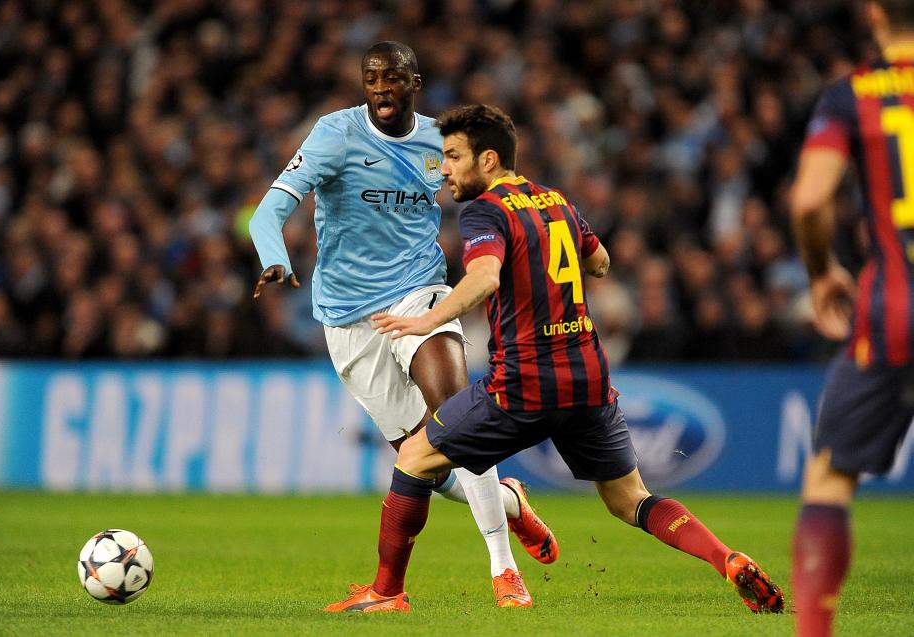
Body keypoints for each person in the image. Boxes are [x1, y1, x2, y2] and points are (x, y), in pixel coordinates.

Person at [325, 104, 785, 613]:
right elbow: (602, 262)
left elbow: (483, 278)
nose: (445, 170)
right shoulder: (556, 201)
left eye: (454, 156)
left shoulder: (485, 210)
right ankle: (727, 560)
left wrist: (426, 321)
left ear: (489, 158)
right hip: (587, 376)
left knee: (414, 459)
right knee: (630, 498)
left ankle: (387, 591)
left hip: (523, 382)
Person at [248, 42, 557, 607]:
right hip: (348, 318)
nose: (381, 87)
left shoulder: (440, 143)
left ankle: (502, 571)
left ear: (415, 82)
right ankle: (512, 504)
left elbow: (500, 185)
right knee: (429, 467)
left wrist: (544, 221)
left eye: (393, 77)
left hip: (420, 294)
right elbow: (270, 207)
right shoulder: (335, 134)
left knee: (457, 416)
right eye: (371, 78)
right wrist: (275, 254)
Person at [789, 2, 914, 635]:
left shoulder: (853, 95)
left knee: (832, 472)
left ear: (873, 13)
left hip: (896, 306)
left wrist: (820, 272)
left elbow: (811, 199)